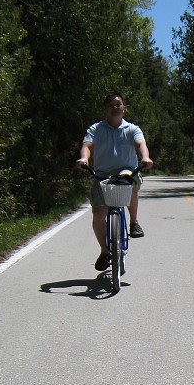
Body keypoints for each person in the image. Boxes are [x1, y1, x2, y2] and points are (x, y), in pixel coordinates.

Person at [76, 92, 153, 271]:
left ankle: (134, 223)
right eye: (111, 104)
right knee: (98, 216)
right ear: (105, 109)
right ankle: (104, 251)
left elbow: (141, 144)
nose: (115, 107)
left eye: (118, 104)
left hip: (125, 170)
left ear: (124, 108)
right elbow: (87, 146)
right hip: (102, 174)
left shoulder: (132, 129)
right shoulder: (96, 129)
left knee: (130, 179)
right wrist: (84, 159)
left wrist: (146, 157)